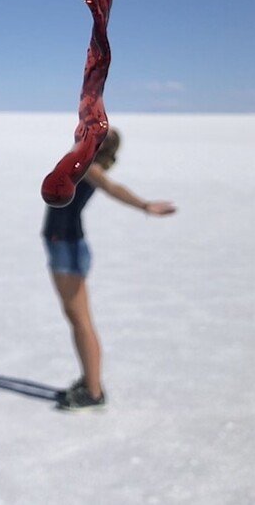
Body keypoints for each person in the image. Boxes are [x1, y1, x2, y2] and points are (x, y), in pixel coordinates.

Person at [44, 128, 176, 411]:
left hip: (67, 248)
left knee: (80, 320)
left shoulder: (89, 167)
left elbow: (111, 187)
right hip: (64, 246)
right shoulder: (81, 162)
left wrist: (144, 205)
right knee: (77, 318)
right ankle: (90, 380)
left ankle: (93, 392)